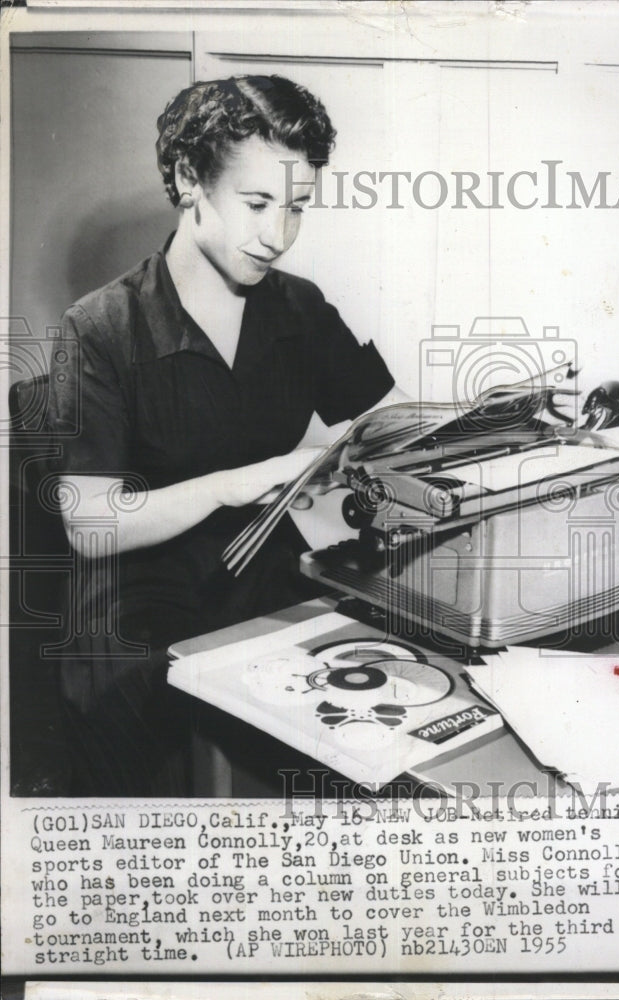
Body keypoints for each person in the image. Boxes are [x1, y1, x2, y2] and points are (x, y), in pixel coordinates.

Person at [47, 75, 406, 796]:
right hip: (137, 605)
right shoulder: (101, 326)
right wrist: (235, 483)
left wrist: (477, 432)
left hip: (267, 575)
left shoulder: (299, 307)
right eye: (256, 203)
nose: (277, 235)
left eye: (296, 207)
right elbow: (89, 525)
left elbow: (383, 428)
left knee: (375, 710)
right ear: (188, 180)